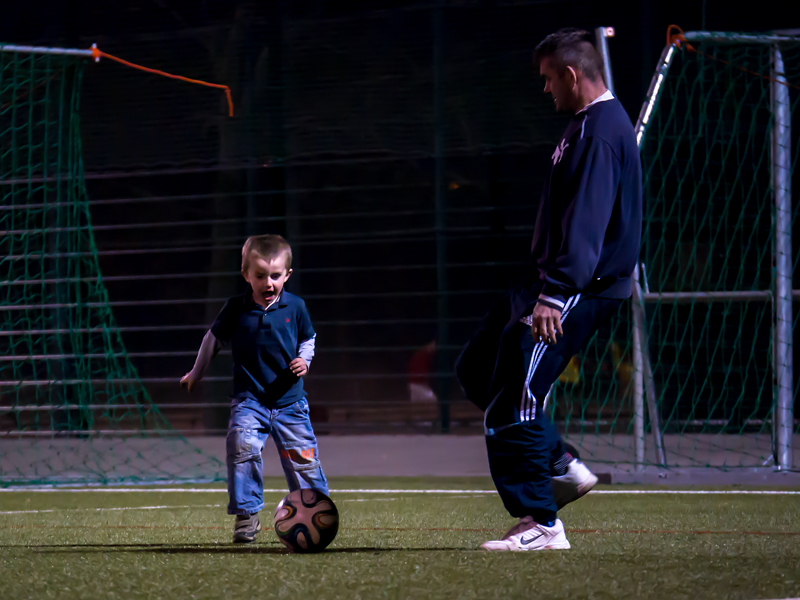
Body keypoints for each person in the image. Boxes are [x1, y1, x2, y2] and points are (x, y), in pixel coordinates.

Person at [456, 28, 642, 551]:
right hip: (544, 278)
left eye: (547, 79)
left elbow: (587, 221)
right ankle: (559, 461)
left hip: (577, 285)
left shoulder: (600, 132)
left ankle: (541, 522)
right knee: (477, 369)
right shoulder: (583, 126)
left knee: (514, 398)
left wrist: (555, 295)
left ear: (571, 75)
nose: (545, 90)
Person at [181, 234, 328, 543]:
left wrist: (304, 359)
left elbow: (308, 338)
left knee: (303, 460)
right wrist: (196, 372)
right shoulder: (236, 309)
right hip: (250, 400)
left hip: (290, 403)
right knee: (241, 446)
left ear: (287, 275)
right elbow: (213, 340)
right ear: (246, 274)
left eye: (275, 275)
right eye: (260, 275)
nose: (268, 282)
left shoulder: (296, 307)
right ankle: (247, 516)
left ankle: (317, 513)